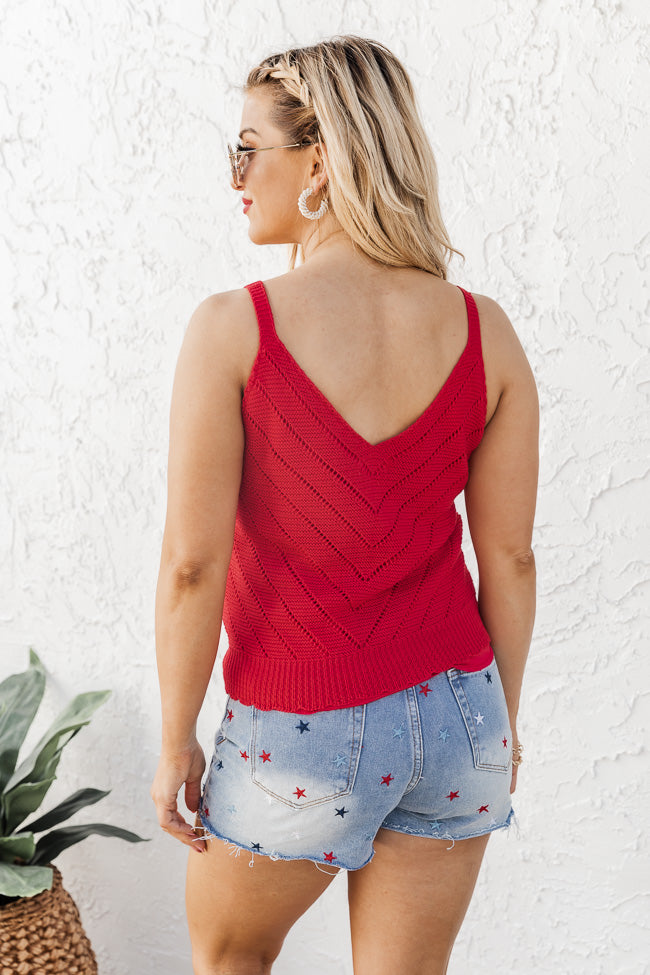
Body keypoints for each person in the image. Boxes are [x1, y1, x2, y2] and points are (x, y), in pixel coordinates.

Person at [150, 34, 539, 975]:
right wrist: (499, 723)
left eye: (249, 150)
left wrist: (176, 741)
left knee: (230, 958)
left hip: (300, 720)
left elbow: (192, 566)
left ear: (319, 161)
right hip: (461, 714)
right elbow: (512, 559)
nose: (236, 177)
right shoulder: (484, 329)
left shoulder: (234, 328)